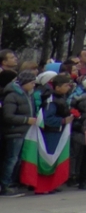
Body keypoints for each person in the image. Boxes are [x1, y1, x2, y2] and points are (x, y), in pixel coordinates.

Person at [1, 70, 37, 198]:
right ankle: (5, 185)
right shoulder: (12, 96)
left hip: (24, 131)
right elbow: (8, 116)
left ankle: (12, 183)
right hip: (14, 132)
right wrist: (26, 120)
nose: (33, 85)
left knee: (18, 160)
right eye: (32, 83)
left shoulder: (28, 95)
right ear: (24, 82)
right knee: (11, 159)